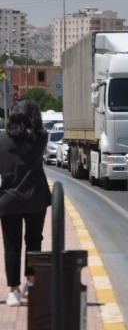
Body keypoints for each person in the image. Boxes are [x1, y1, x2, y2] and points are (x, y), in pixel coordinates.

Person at [0, 100, 52, 306]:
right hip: (35, 198)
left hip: (8, 199)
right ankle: (31, 284)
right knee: (34, 240)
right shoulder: (41, 138)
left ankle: (13, 291)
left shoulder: (1, 139)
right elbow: (40, 130)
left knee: (11, 245)